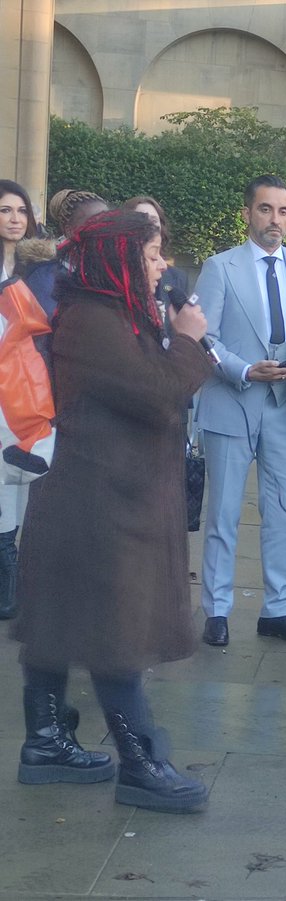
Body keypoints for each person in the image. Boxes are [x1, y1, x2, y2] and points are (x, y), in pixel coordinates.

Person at [11, 209, 212, 812]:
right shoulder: (93, 320)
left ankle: (46, 741)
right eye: (152, 255)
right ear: (120, 260)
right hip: (96, 501)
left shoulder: (112, 314)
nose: (162, 265)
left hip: (103, 495)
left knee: (63, 618)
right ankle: (140, 762)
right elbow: (157, 395)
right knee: (113, 629)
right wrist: (189, 341)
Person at [194, 175, 286, 647]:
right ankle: (216, 609)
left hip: (284, 405)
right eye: (266, 210)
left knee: (280, 513)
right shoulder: (219, 267)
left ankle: (277, 609)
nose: (275, 220)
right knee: (225, 512)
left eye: (284, 211)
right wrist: (244, 370)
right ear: (247, 213)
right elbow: (203, 339)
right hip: (232, 401)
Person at [0, 179, 39, 621]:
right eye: (6, 211)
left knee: (18, 478)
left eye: (20, 212)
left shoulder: (35, 268)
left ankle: (13, 579)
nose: (14, 220)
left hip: (24, 390)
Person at [23, 189, 109, 317]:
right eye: (93, 223)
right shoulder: (45, 275)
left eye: (107, 221)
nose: (102, 229)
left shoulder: (113, 269)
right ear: (69, 231)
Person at [121, 196, 189, 316]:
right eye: (140, 220)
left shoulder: (177, 278)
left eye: (153, 221)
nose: (148, 227)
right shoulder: (115, 276)